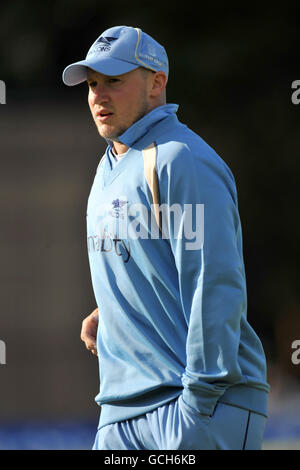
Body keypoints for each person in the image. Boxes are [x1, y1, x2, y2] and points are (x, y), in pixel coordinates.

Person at [62, 25, 270, 450]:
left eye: (114, 81)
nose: (98, 95)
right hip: (119, 414)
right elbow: (155, 263)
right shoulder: (108, 167)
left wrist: (199, 402)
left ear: (157, 83)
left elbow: (214, 282)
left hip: (191, 405)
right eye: (93, 83)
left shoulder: (180, 158)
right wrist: (113, 311)